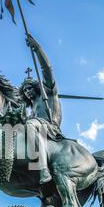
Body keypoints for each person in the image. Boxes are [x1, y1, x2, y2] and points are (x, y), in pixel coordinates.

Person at [19, 34, 65, 184]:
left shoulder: (48, 93)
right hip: (38, 126)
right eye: (25, 90)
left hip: (50, 127)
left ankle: (43, 168)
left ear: (36, 87)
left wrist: (37, 49)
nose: (27, 91)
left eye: (30, 88)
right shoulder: (32, 110)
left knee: (31, 124)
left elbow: (47, 70)